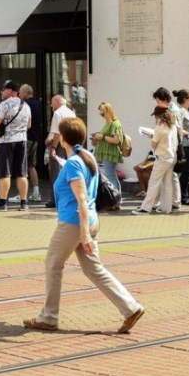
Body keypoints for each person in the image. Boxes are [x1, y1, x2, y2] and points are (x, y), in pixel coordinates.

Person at [23, 117, 144, 334]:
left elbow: (81, 196)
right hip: (90, 220)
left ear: (63, 139)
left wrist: (84, 234)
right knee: (94, 269)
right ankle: (130, 308)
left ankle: (49, 317)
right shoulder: (85, 156)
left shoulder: (73, 163)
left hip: (74, 222)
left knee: (53, 264)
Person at [132, 101, 179, 215]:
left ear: (159, 115)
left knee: (153, 183)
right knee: (167, 184)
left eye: (155, 115)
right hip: (172, 156)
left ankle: (146, 208)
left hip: (162, 157)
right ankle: (166, 208)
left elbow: (153, 144)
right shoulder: (172, 125)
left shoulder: (159, 126)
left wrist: (152, 137)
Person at [0, 81, 32, 211]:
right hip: (22, 140)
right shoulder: (25, 105)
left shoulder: (4, 104)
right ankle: (24, 203)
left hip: (6, 142)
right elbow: (29, 125)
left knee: (5, 173)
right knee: (22, 173)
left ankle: (3, 203)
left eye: (3, 89)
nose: (1, 92)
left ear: (10, 90)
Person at [44, 94, 77, 204]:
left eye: (52, 102)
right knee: (69, 172)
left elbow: (57, 133)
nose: (50, 105)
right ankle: (68, 198)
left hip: (60, 145)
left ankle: (55, 200)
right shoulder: (71, 112)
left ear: (58, 102)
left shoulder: (57, 113)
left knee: (56, 172)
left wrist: (53, 147)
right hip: (70, 144)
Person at [91, 102, 125, 195]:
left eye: (103, 112)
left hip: (111, 152)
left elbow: (116, 140)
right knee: (111, 175)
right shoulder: (109, 123)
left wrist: (102, 137)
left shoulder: (115, 124)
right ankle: (117, 198)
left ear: (108, 111)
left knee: (111, 176)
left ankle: (115, 198)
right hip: (107, 152)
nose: (101, 115)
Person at [19, 84, 43, 203]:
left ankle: (22, 194)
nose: (19, 94)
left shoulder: (25, 104)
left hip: (26, 137)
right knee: (31, 166)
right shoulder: (39, 104)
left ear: (26, 92)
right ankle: (36, 192)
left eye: (20, 92)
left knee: (22, 166)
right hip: (35, 137)